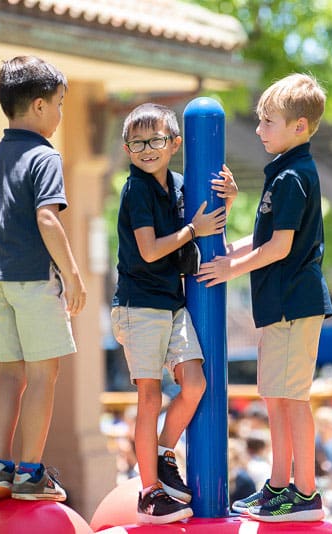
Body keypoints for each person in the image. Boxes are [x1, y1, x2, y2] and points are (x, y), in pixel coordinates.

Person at [197, 73, 332, 522]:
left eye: (268, 121)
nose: (259, 130)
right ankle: (278, 486)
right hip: (280, 308)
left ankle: (306, 493)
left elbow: (280, 247)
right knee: (275, 396)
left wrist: (228, 269)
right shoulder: (283, 173)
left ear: (299, 126)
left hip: (296, 305)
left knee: (292, 398)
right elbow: (259, 241)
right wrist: (223, 249)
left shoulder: (294, 176)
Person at [0, 55, 86, 501]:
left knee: (9, 375)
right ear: (37, 106)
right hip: (33, 279)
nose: (60, 114)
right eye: (59, 104)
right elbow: (48, 219)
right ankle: (31, 472)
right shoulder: (44, 155)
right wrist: (72, 275)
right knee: (43, 374)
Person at [111, 102, 236, 524]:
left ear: (175, 144)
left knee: (196, 382)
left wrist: (228, 202)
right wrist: (189, 231)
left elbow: (207, 227)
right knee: (149, 396)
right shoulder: (137, 190)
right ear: (127, 149)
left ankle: (165, 452)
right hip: (139, 304)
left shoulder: (178, 184)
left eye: (157, 141)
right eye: (138, 143)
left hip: (172, 303)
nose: (148, 150)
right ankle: (148, 492)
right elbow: (149, 249)